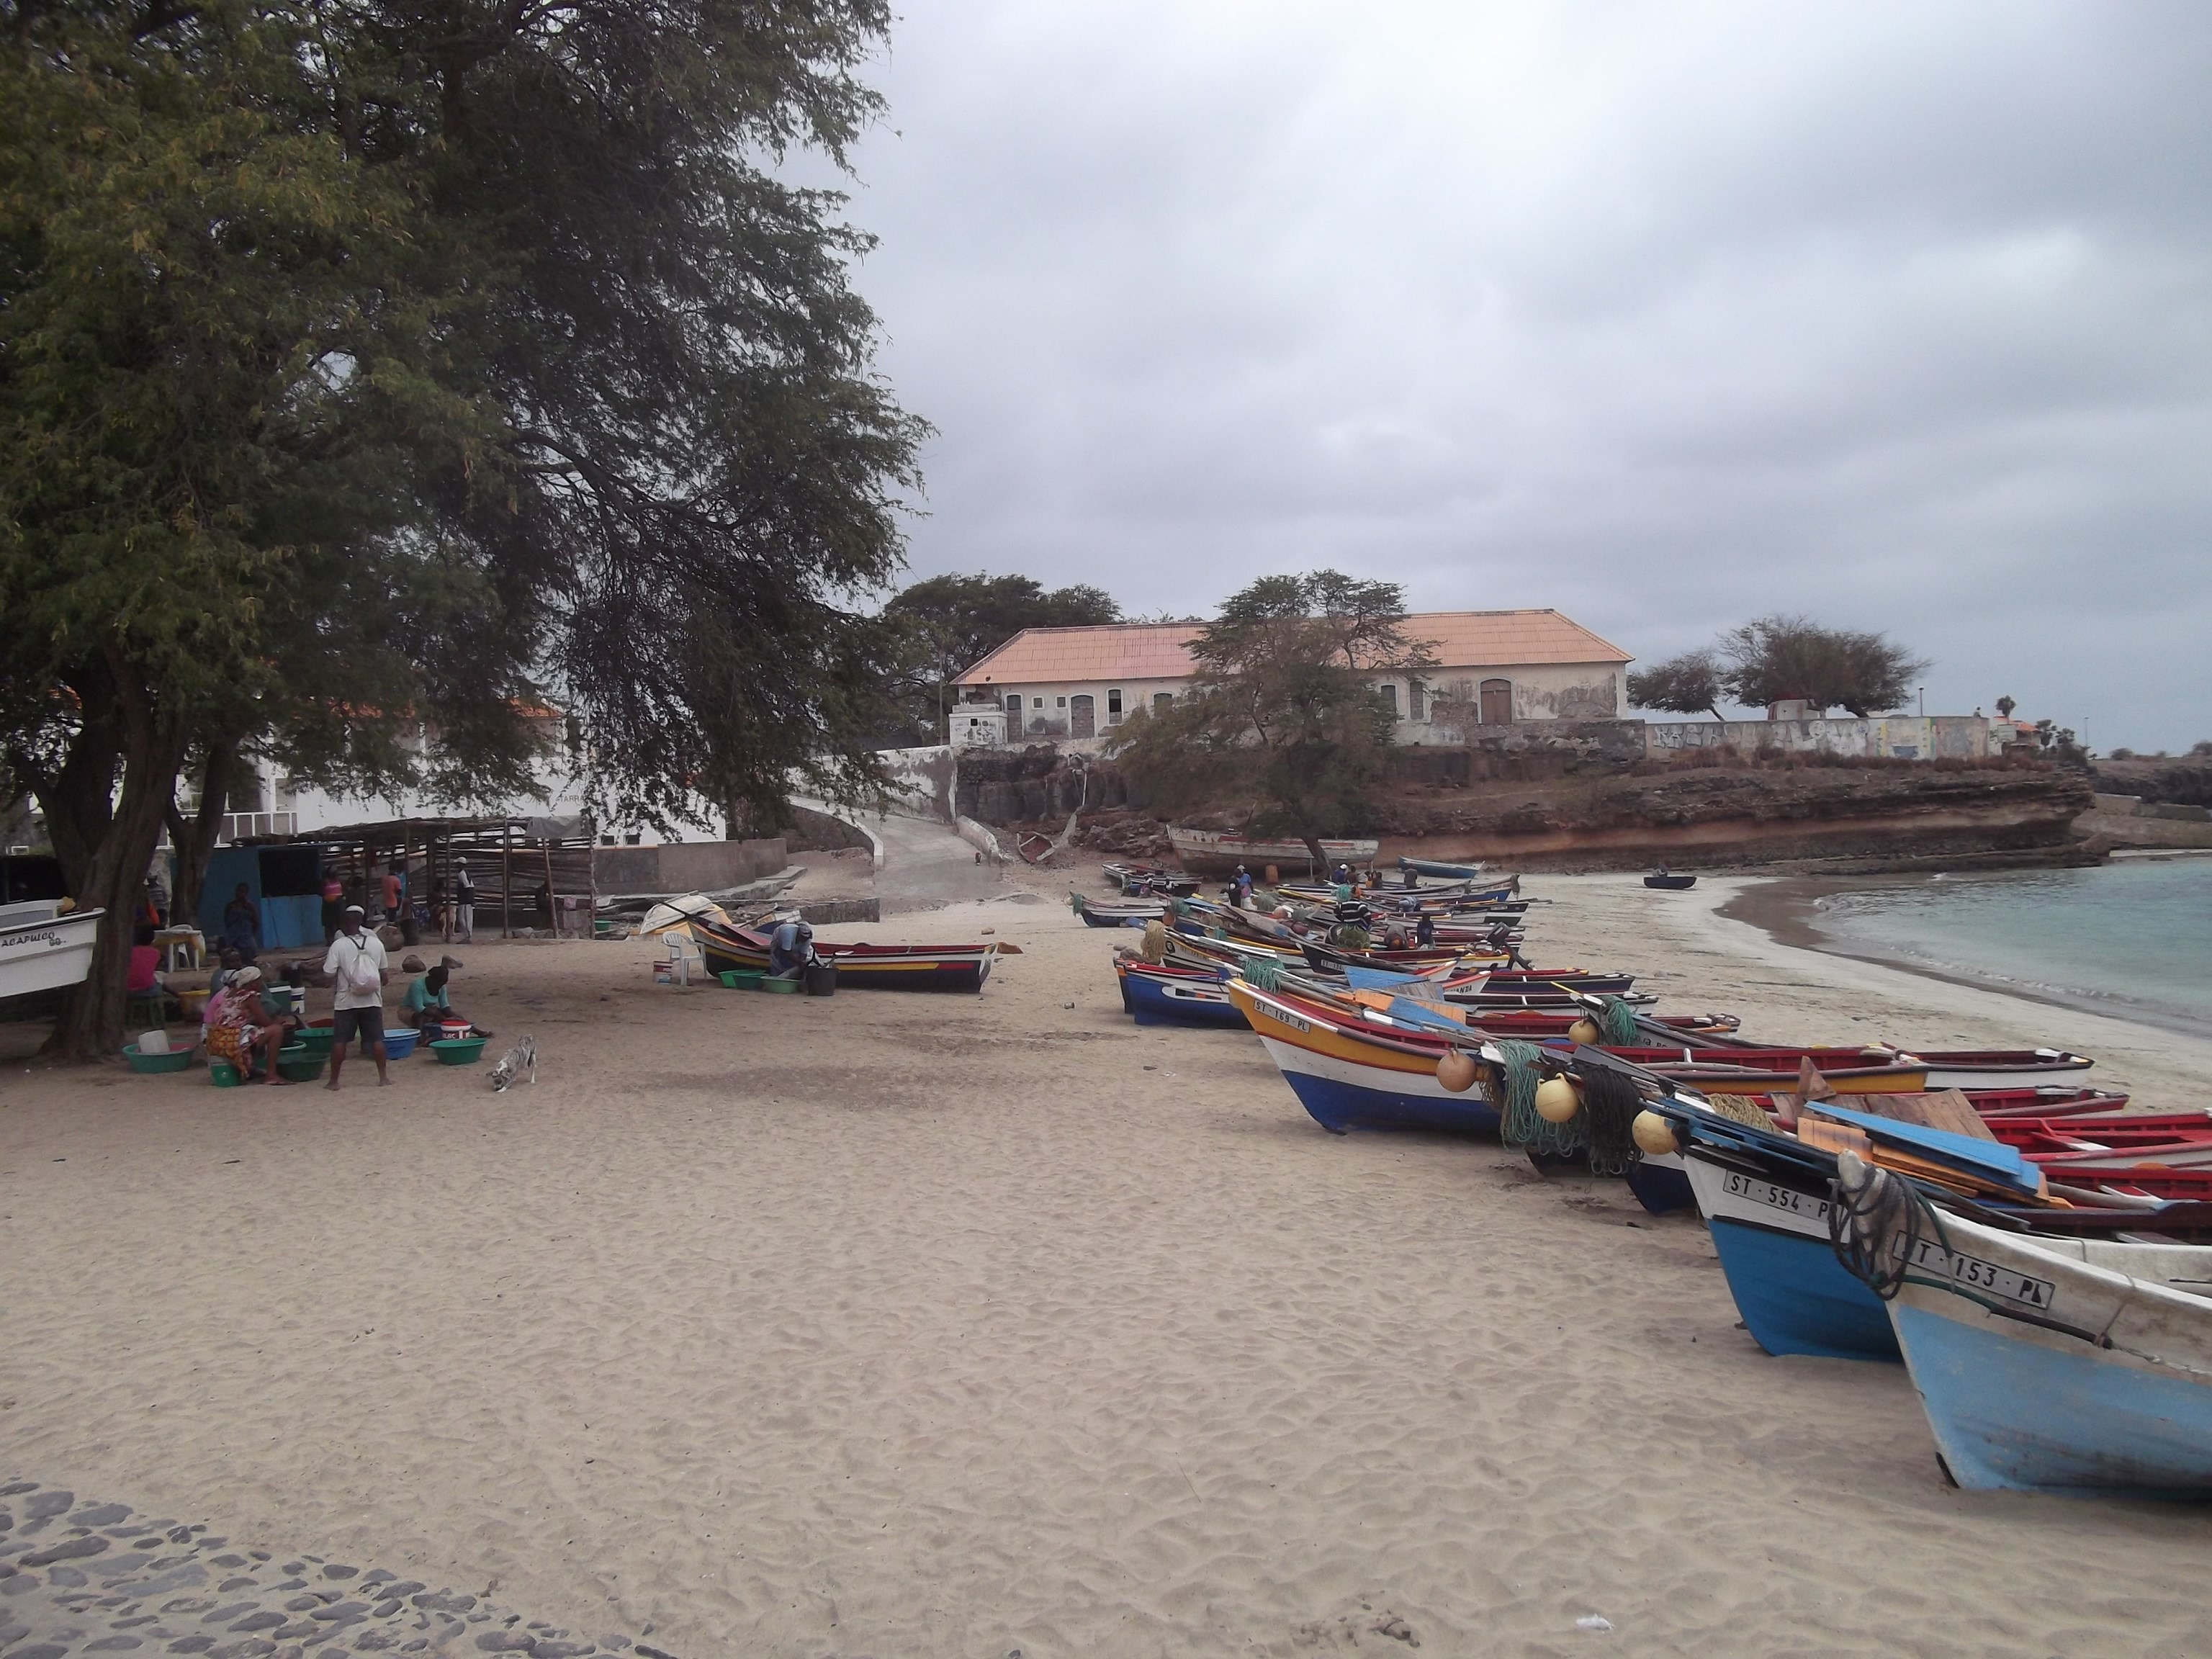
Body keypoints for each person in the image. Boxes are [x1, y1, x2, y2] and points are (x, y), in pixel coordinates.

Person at [322, 903, 390, 1089]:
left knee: (340, 1041)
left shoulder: (339, 945)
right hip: (372, 1000)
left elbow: (328, 975)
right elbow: (384, 977)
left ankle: (334, 1081)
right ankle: (383, 1077)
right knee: (377, 1039)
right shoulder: (376, 943)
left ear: (344, 924)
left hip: (346, 1002)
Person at [204, 965, 290, 1085]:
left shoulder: (231, 993)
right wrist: (280, 1021)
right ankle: (271, 1075)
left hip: (217, 1039)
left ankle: (250, 1069)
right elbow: (265, 1022)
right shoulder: (250, 997)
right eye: (260, 981)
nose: (262, 984)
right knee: (276, 1031)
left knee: (255, 1031)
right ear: (254, 983)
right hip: (230, 1041)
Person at [220, 883, 261, 964]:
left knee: (248, 957)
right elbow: (227, 921)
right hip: (232, 937)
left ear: (246, 894)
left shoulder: (249, 907)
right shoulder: (230, 906)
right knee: (232, 958)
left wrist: (249, 934)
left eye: (242, 892)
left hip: (246, 937)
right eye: (238, 891)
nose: (239, 894)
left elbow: (256, 922)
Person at [768, 913, 814, 979]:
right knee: (777, 959)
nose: (804, 940)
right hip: (779, 943)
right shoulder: (787, 933)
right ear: (798, 933)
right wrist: (799, 962)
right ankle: (776, 977)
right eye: (802, 937)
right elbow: (786, 952)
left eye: (805, 939)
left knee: (795, 965)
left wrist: (801, 963)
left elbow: (803, 954)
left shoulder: (808, 939)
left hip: (792, 946)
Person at [320, 868, 345, 944]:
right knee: (329, 923)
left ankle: (338, 939)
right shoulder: (325, 882)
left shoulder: (339, 881)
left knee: (338, 922)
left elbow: (342, 890)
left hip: (338, 903)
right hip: (328, 904)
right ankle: (329, 940)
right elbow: (321, 892)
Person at [454, 858, 475, 943]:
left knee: (463, 918)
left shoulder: (462, 874)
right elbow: (471, 887)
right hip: (466, 900)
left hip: (465, 901)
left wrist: (469, 899)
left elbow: (468, 887)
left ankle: (467, 936)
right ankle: (467, 936)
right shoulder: (465, 873)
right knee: (466, 918)